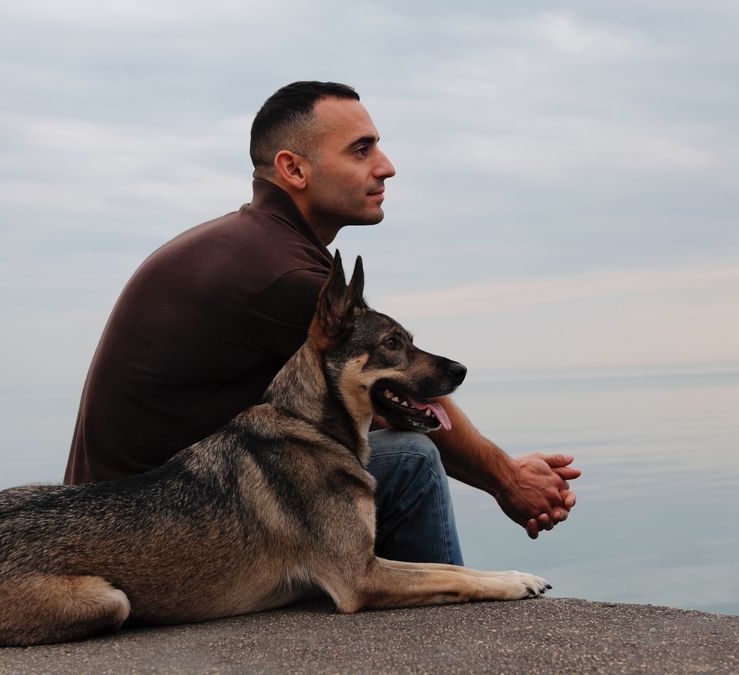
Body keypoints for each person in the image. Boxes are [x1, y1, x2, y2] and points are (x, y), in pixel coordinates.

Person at [64, 81, 579, 564]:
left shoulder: (254, 246)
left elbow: (375, 404)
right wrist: (508, 479)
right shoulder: (283, 275)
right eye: (361, 150)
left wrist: (505, 470)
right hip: (152, 538)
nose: (387, 167)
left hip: (136, 515)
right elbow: (403, 394)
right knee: (412, 462)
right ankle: (442, 642)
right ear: (294, 169)